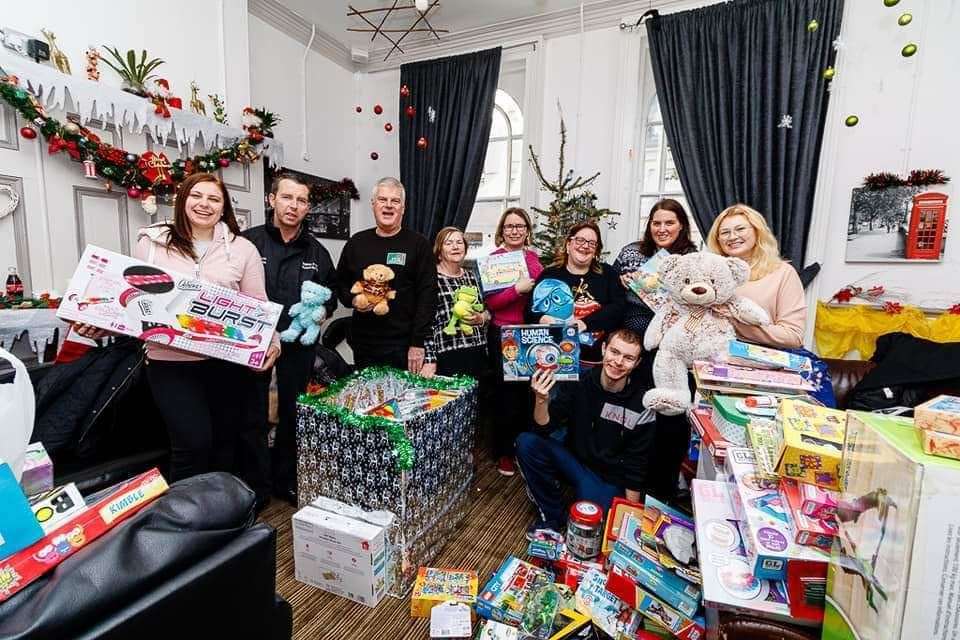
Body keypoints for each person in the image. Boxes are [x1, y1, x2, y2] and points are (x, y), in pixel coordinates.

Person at [71, 173, 280, 491]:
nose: (205, 204)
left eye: (214, 198)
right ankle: (182, 526)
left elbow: (258, 305)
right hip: (169, 364)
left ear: (224, 207)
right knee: (192, 445)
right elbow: (131, 300)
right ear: (183, 200)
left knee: (225, 446)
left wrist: (273, 344)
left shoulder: (242, 249)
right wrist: (98, 325)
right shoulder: (153, 243)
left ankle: (219, 518)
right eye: (197, 196)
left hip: (227, 365)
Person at [244, 172, 337, 504]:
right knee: (252, 415)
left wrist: (323, 311)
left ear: (307, 207)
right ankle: (255, 487)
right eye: (287, 197)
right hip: (254, 345)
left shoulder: (318, 252)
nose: (293, 205)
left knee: (291, 414)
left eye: (300, 200)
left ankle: (285, 480)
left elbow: (331, 296)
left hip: (298, 347)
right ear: (272, 200)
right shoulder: (248, 242)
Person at [515, 329, 657, 535]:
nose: (618, 362)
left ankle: (591, 501)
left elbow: (638, 463)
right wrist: (541, 399)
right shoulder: (579, 381)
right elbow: (544, 426)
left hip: (608, 477)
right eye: (614, 352)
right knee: (527, 442)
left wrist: (628, 518)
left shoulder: (643, 404)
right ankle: (552, 515)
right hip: (574, 460)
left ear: (637, 363)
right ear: (603, 349)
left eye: (628, 358)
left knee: (594, 525)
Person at [707, 203, 835, 406]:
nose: (732, 237)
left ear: (757, 232)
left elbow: (792, 335)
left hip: (767, 373)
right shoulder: (710, 275)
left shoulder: (783, 273)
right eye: (725, 232)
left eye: (740, 229)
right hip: (717, 369)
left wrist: (736, 321)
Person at [335, 177, 438, 373]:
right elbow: (340, 284)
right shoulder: (356, 243)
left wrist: (417, 343)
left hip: (404, 345)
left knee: (401, 402)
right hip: (363, 344)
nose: (389, 206)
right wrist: (353, 300)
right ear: (373, 204)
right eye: (382, 200)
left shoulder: (419, 245)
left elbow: (428, 297)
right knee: (369, 400)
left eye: (395, 201)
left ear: (403, 208)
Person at [483, 208, 543, 476]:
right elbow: (492, 303)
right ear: (502, 230)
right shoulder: (493, 260)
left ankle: (522, 449)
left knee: (526, 395)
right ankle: (504, 453)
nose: (515, 230)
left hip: (529, 334)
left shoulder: (534, 259)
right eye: (509, 226)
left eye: (520, 226)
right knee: (504, 395)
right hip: (503, 334)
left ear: (527, 230)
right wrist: (516, 290)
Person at [526, 221, 625, 369]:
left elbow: (618, 308)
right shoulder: (549, 275)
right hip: (554, 361)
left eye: (592, 243)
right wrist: (542, 318)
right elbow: (528, 311)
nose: (585, 246)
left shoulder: (608, 274)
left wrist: (585, 323)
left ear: (596, 251)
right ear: (568, 245)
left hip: (595, 363)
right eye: (580, 240)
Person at [613, 198, 697, 336]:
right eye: (656, 223)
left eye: (669, 223)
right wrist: (619, 280)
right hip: (627, 328)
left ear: (681, 225)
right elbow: (609, 287)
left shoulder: (692, 259)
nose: (662, 229)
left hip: (671, 330)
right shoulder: (630, 251)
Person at [420, 227, 488, 379]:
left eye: (459, 242)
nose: (455, 246)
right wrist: (430, 359)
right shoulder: (430, 278)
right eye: (449, 243)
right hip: (447, 354)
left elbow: (486, 310)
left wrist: (481, 318)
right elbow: (425, 323)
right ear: (439, 250)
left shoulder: (471, 276)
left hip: (477, 351)